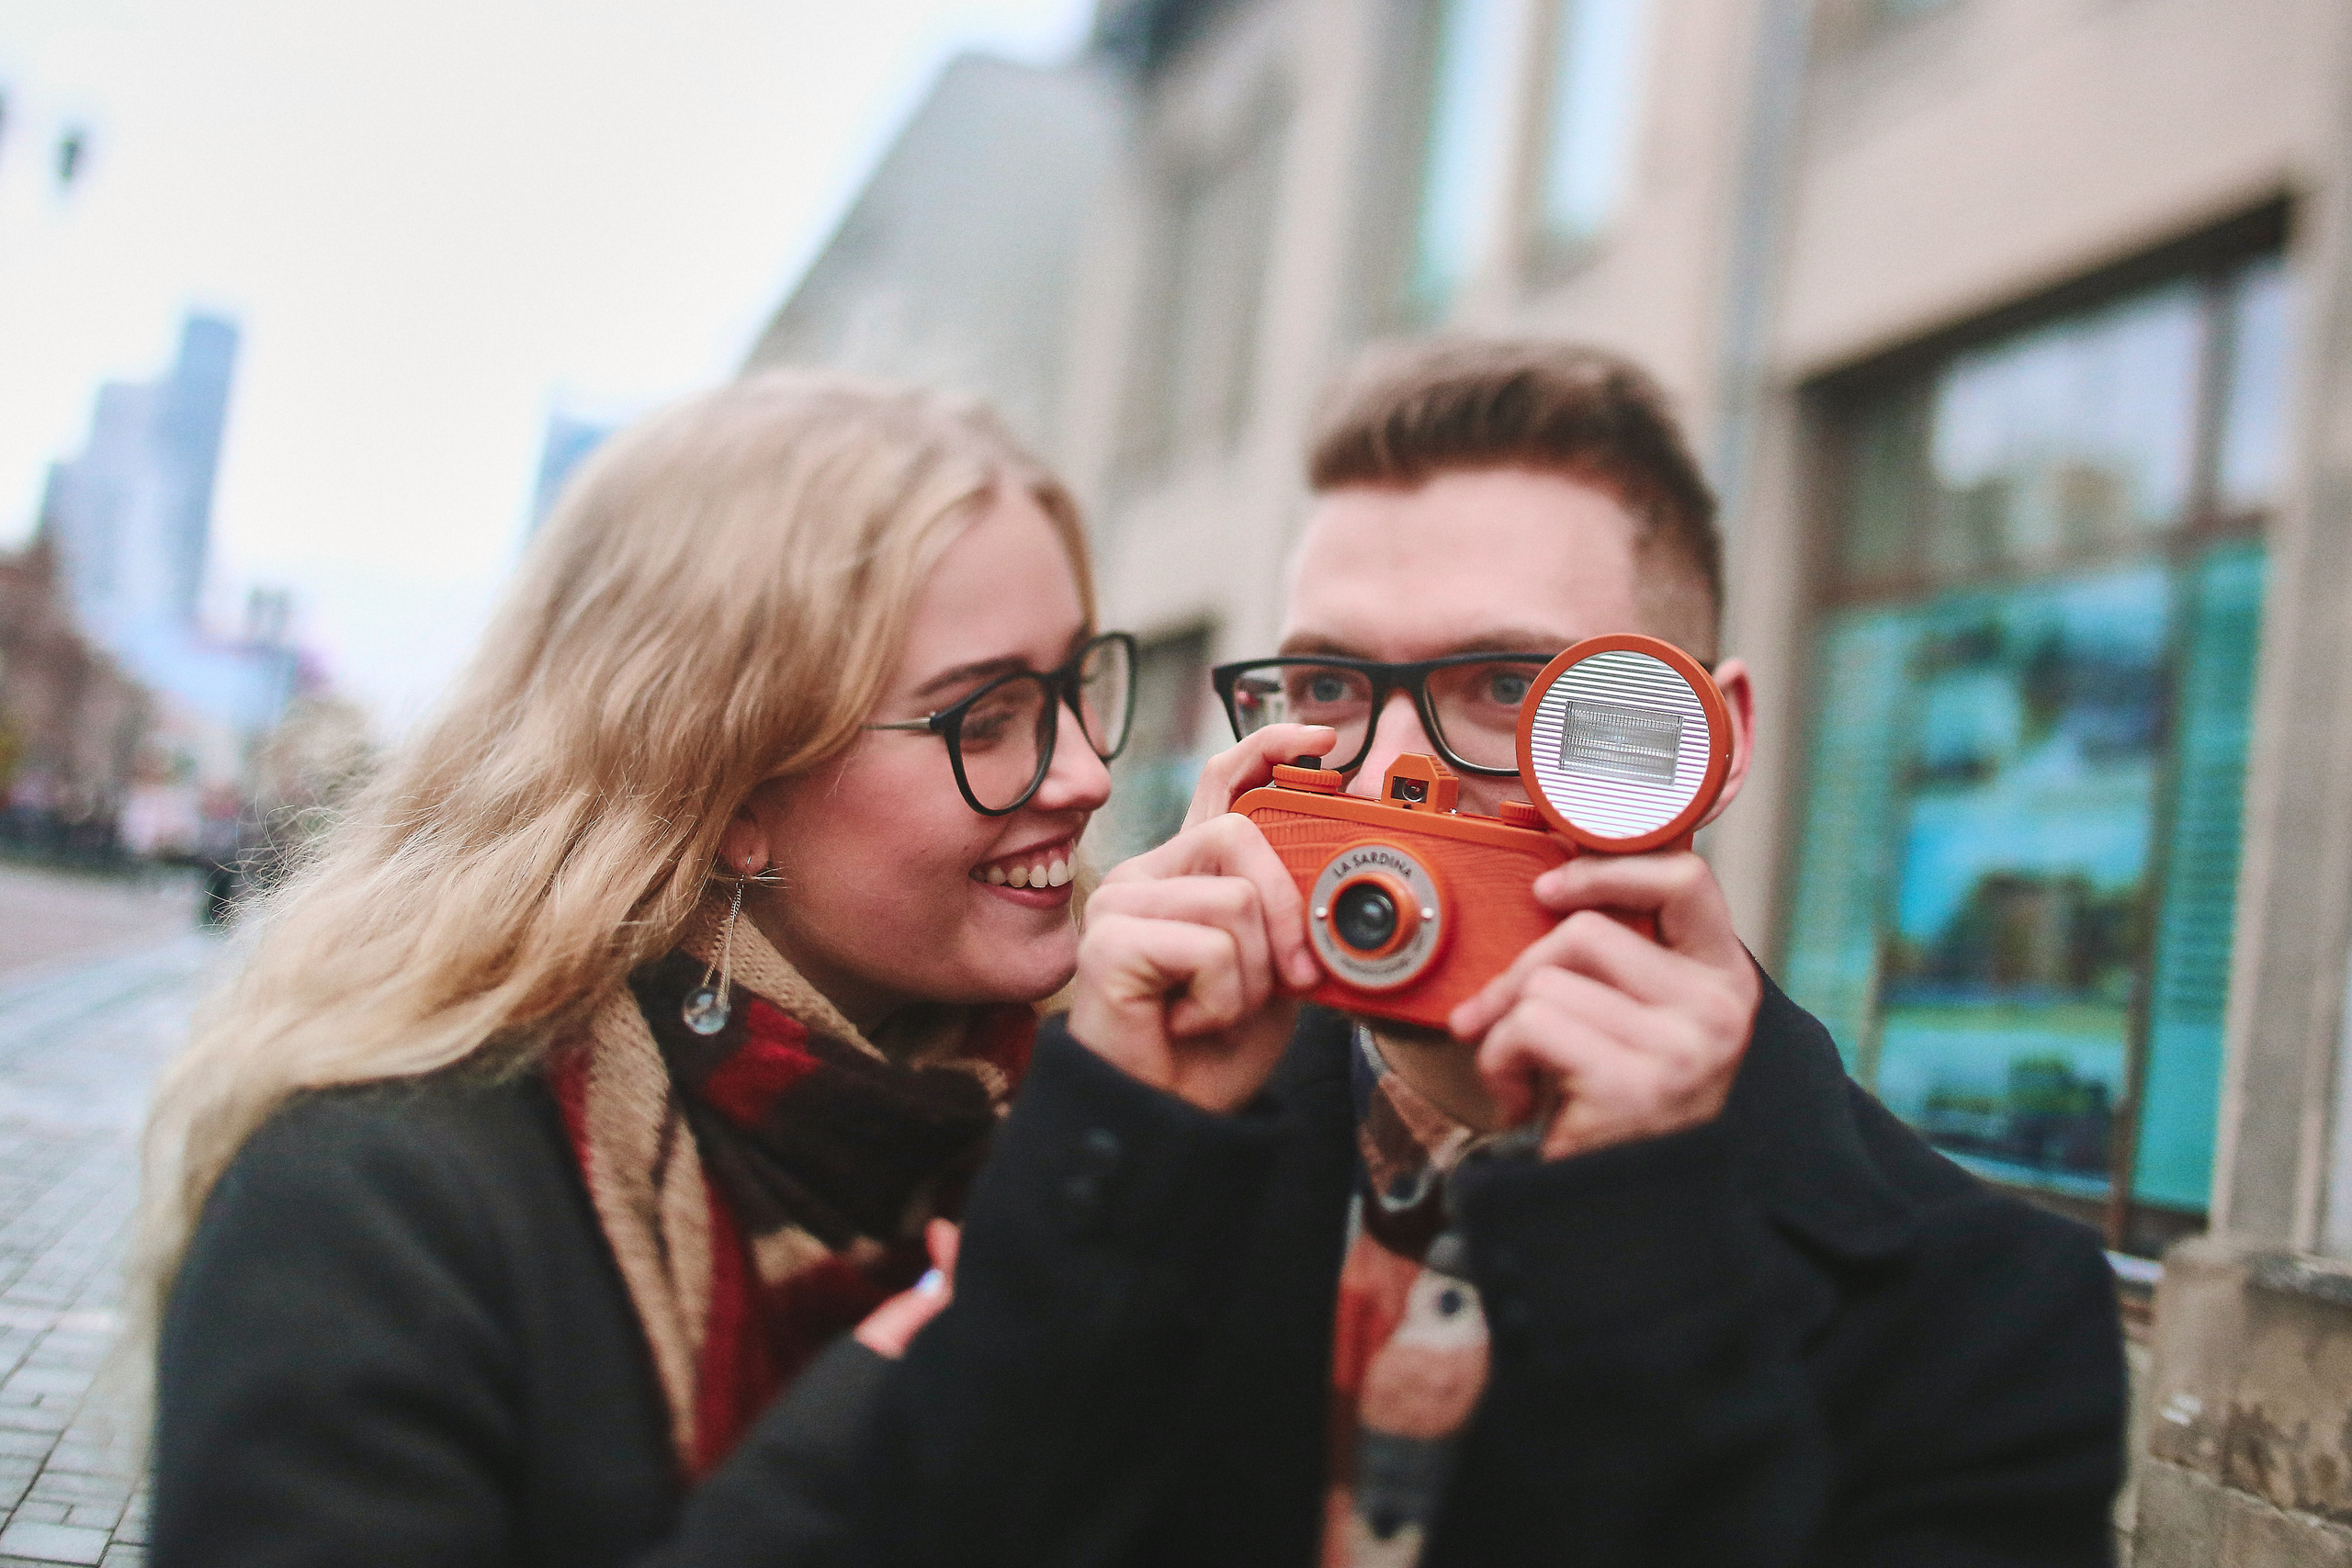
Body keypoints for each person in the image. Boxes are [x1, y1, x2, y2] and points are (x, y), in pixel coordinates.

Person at [779, 339, 2129, 1565]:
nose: (1393, 773)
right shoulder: (1130, 1132)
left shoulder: (1994, 1317)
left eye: (1507, 689)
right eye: (1328, 688)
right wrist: (1123, 1153)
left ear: (1706, 744)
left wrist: (1638, 1253)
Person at [137, 371, 1139, 1564]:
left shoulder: (1095, 1112)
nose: (1084, 773)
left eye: (1077, 688)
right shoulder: (372, 1194)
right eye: (985, 720)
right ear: (729, 784)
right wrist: (894, 1407)